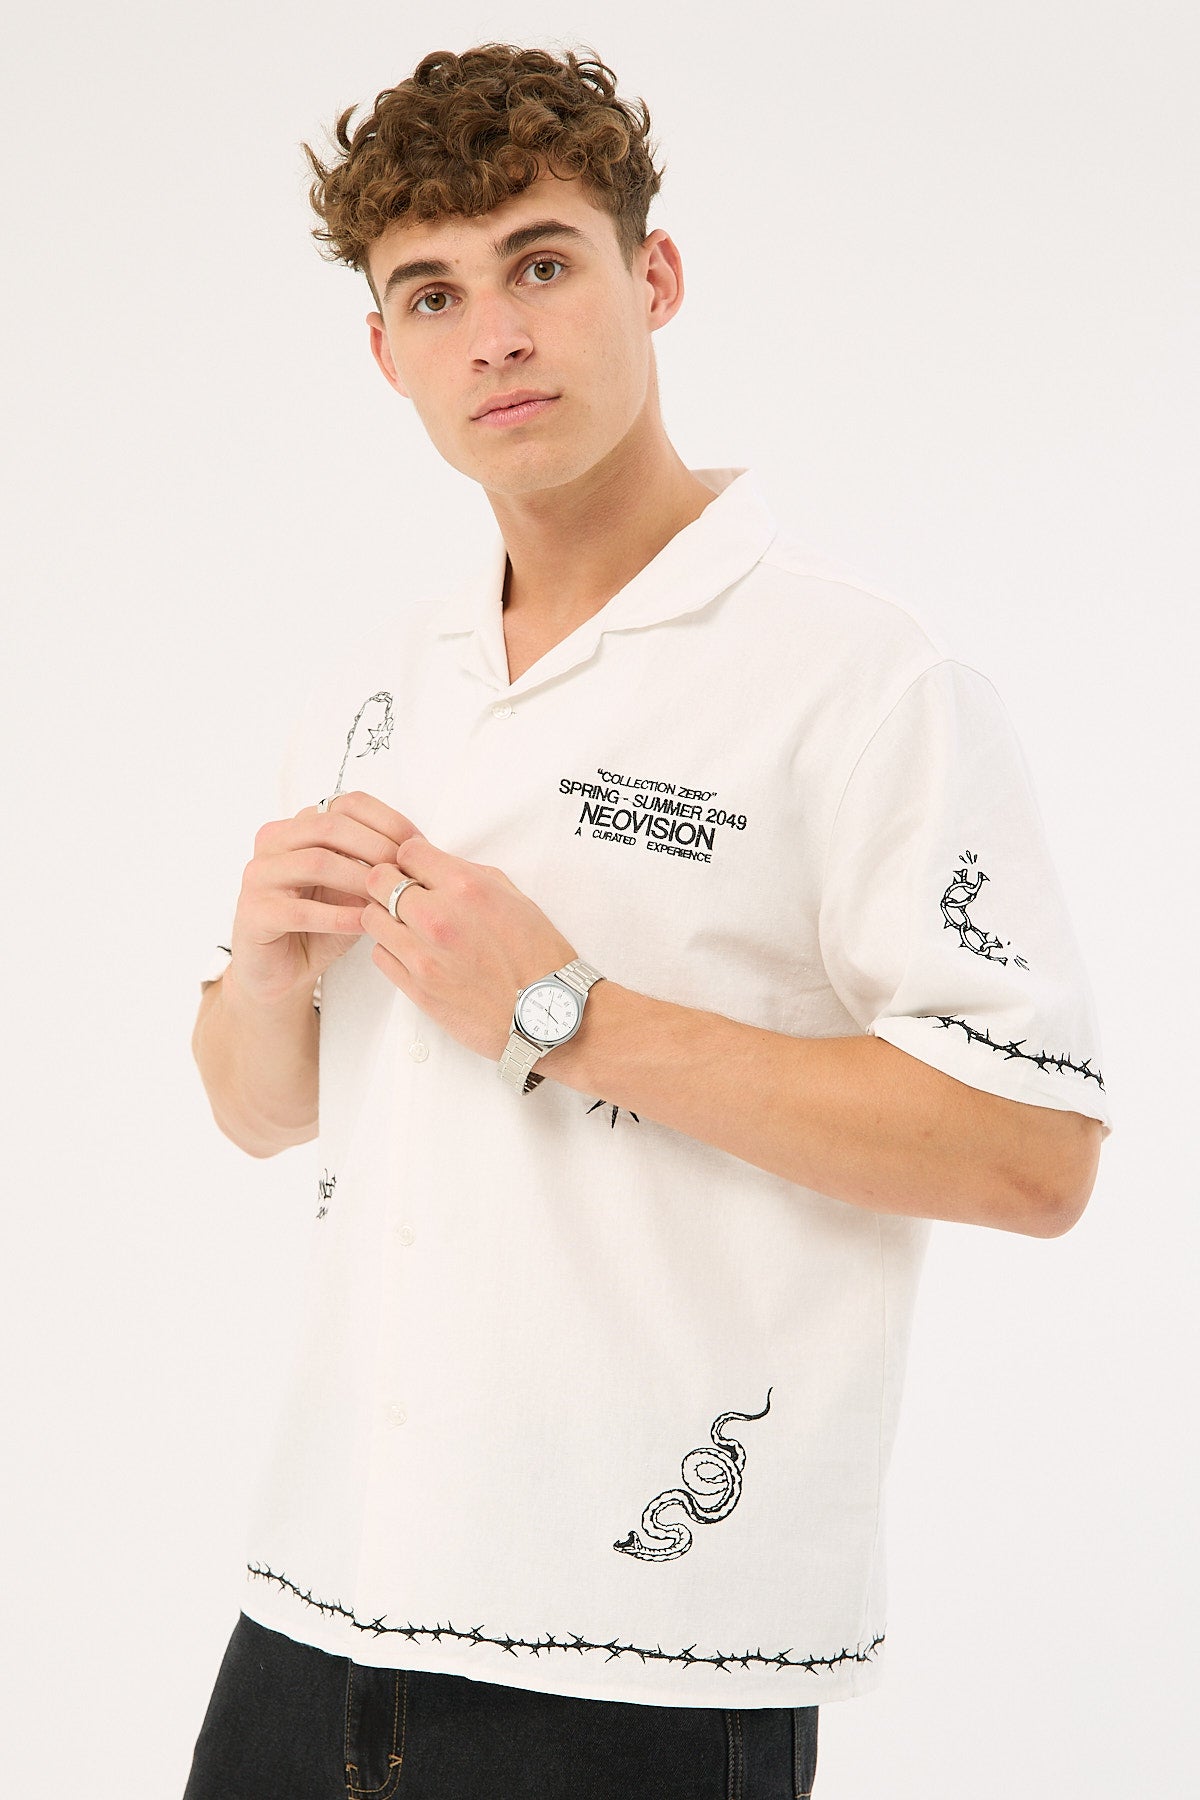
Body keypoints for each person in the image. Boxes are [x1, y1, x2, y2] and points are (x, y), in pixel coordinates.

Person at [184, 41, 1112, 1800]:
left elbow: (1034, 1154)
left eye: (540, 263)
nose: (495, 336)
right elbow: (263, 1110)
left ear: (653, 276)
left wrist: (569, 1014)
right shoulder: (380, 683)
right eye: (433, 294)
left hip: (638, 1668)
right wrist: (261, 972)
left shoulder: (863, 680)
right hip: (310, 1616)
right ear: (385, 352)